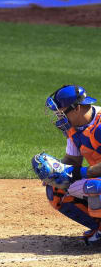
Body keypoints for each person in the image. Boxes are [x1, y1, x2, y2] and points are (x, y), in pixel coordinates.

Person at [38, 84, 101, 245]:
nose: (60, 117)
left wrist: (82, 172)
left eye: (61, 112)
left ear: (77, 108)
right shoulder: (75, 128)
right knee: (57, 188)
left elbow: (80, 171)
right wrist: (56, 171)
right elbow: (72, 161)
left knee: (94, 187)